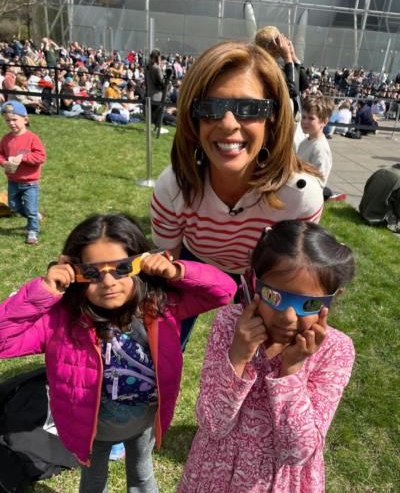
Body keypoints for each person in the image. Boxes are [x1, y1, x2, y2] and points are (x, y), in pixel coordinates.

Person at [0, 213, 236, 493]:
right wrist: (44, 290)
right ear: (74, 273)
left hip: (145, 420)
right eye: (92, 273)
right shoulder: (62, 322)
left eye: (121, 268)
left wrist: (178, 271)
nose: (109, 282)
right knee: (93, 482)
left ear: (140, 264)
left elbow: (223, 291)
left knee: (142, 476)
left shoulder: (160, 306)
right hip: (91, 430)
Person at [150, 40, 324, 346]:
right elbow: (166, 266)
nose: (228, 124)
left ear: (273, 116)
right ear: (194, 118)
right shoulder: (173, 186)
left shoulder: (301, 196)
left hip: (258, 274)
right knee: (160, 343)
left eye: (248, 109)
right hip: (193, 260)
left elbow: (291, 277)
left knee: (260, 356)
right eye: (210, 108)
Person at [178, 220, 356, 492]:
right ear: (252, 281)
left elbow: (297, 451)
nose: (288, 317)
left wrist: (292, 370)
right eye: (274, 296)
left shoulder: (336, 350)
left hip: (278, 483)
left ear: (332, 298)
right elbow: (210, 423)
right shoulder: (229, 323)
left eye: (308, 304)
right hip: (213, 474)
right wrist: (238, 354)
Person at [254, 26, 309, 150]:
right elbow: (292, 90)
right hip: (280, 129)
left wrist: (293, 57)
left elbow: (304, 83)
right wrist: (287, 58)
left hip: (291, 125)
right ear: (272, 46)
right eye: (279, 40)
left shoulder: (278, 66)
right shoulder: (263, 68)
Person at [0, 100, 46, 244]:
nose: (11, 123)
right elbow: (0, 154)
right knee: (14, 206)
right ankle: (33, 216)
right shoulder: (6, 139)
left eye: (15, 119)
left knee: (30, 208)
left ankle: (32, 230)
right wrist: (4, 163)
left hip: (30, 182)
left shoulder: (32, 138)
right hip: (13, 180)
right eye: (8, 120)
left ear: (25, 119)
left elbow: (40, 157)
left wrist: (23, 157)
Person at [297, 95, 345, 202]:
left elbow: (320, 180)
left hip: (306, 193)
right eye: (304, 117)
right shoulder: (305, 142)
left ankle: (327, 196)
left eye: (311, 118)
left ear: (324, 122)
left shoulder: (320, 148)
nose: (305, 121)